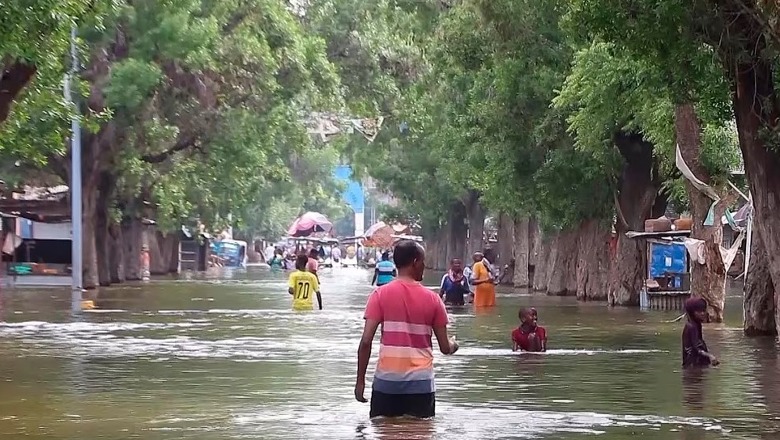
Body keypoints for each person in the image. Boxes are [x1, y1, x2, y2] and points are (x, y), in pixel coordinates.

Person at [355, 240, 459, 419]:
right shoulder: (433, 300)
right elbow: (445, 348)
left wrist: (360, 381)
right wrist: (454, 345)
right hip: (420, 385)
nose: (424, 266)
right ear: (415, 262)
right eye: (423, 261)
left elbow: (366, 341)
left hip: (387, 384)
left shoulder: (379, 295)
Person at [682, 297, 719, 369]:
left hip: (697, 364)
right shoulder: (691, 326)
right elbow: (695, 348)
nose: (702, 313)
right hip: (693, 366)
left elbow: (699, 344)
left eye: (703, 311)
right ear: (692, 312)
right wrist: (710, 356)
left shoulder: (697, 325)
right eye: (699, 311)